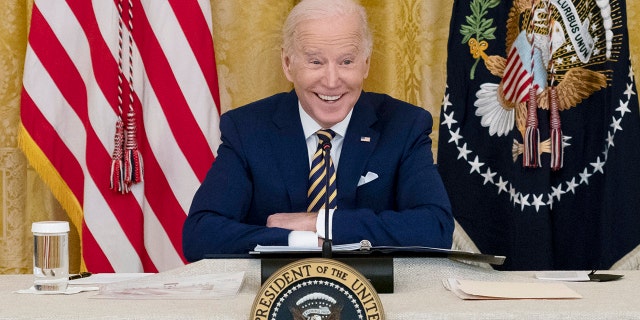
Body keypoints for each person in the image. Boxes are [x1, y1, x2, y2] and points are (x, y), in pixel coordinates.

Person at [182, 0, 453, 261]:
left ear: (366, 64)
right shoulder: (247, 128)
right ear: (288, 65)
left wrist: (322, 223)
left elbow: (435, 228)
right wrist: (300, 241)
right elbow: (200, 234)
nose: (332, 81)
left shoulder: (404, 125)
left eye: (346, 62)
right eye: (315, 62)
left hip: (377, 297)